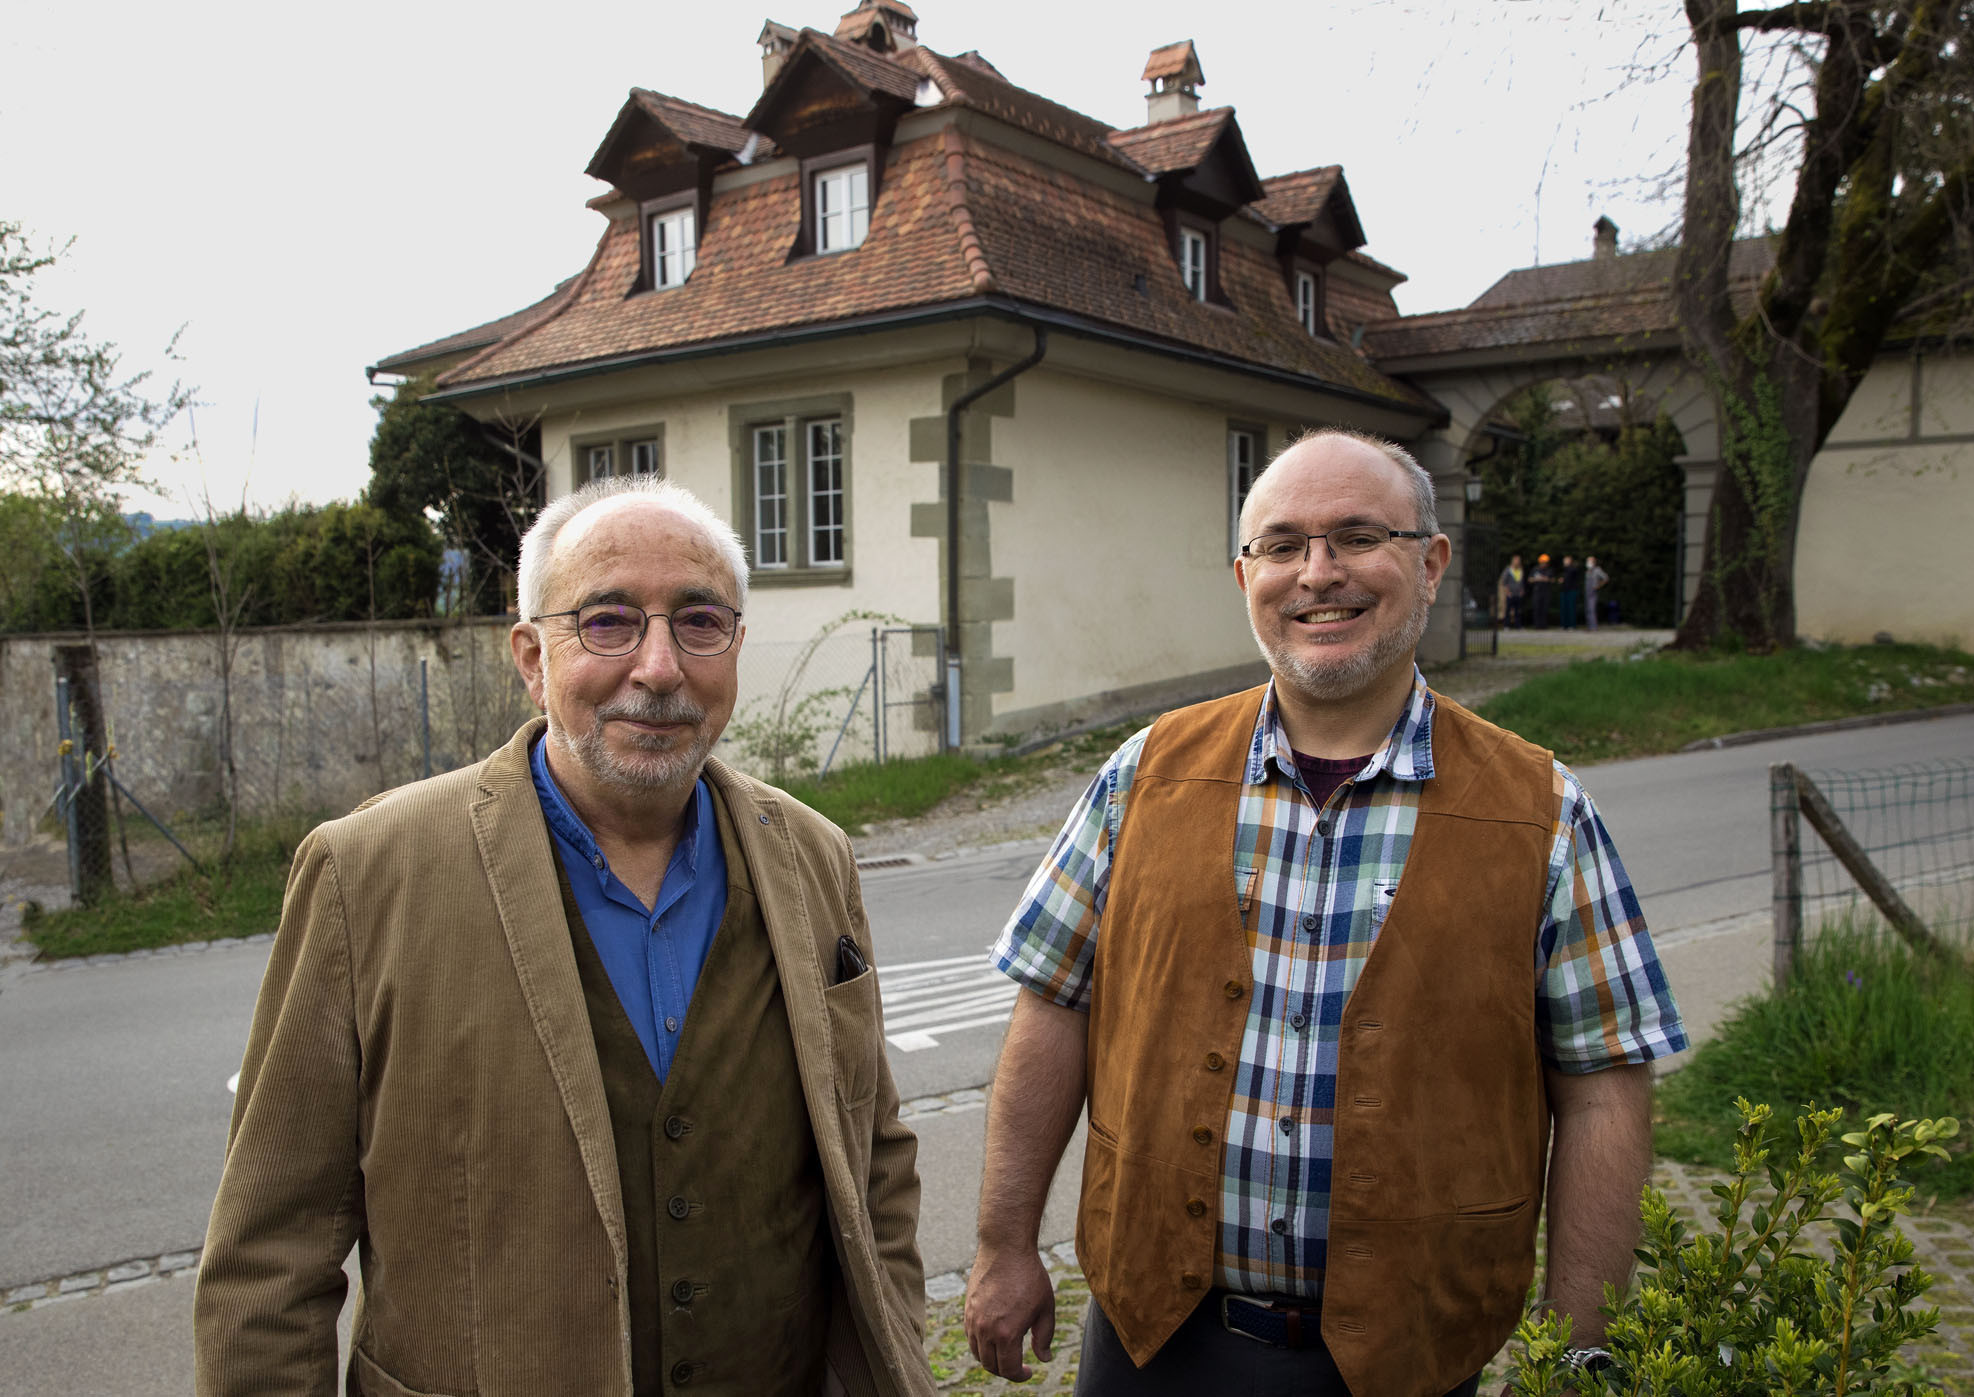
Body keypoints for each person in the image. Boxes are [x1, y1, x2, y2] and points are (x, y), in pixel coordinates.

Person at [962, 430, 1685, 1396]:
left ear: (1429, 563)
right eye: (1284, 545)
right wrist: (1004, 1245)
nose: (1318, 574)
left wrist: (1578, 1347)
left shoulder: (1543, 811)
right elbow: (1053, 1007)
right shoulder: (1143, 776)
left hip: (1408, 1358)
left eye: (1356, 537)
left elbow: (1603, 1086)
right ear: (1243, 573)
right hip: (1152, 1341)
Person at [195, 477, 934, 1397]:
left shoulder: (815, 857)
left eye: (698, 620)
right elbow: (269, 1260)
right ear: (532, 657)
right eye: (608, 620)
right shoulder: (364, 874)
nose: (659, 666)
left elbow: (876, 1159)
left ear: (735, 650)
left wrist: (892, 1348)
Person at [1528, 552, 1555, 629]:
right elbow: (1529, 579)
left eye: (1545, 562)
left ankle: (1544, 625)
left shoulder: (1549, 570)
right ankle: (1537, 625)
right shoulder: (1535, 569)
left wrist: (1547, 579)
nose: (1544, 564)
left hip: (1546, 592)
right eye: (1543, 562)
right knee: (1537, 608)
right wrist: (1537, 579)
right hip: (1537, 592)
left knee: (1545, 609)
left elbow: (1553, 580)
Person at [1499, 554, 1525, 629]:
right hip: (1510, 593)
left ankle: (1518, 625)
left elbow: (1521, 582)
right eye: (1516, 560)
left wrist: (1522, 590)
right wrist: (1507, 592)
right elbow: (1504, 582)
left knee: (1518, 610)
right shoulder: (1508, 570)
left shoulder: (1520, 570)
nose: (1518, 562)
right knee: (1508, 610)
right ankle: (1506, 625)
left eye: (1519, 561)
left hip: (1518, 593)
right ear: (1513, 561)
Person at [1585, 555, 1609, 631]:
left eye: (1590, 561)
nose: (1588, 562)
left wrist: (1598, 586)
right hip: (1587, 592)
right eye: (1588, 561)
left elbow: (1606, 578)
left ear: (1594, 562)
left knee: (1592, 609)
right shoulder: (1588, 571)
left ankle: (1594, 627)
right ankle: (1589, 627)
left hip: (1593, 592)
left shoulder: (1597, 570)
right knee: (1588, 609)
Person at [1560, 555, 1584, 630]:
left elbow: (1574, 572)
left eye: (1566, 560)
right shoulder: (1565, 570)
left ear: (1570, 561)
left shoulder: (1573, 569)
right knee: (1564, 608)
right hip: (1564, 591)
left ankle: (1572, 625)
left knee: (1571, 608)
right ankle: (1565, 625)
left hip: (1572, 590)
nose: (1564, 562)